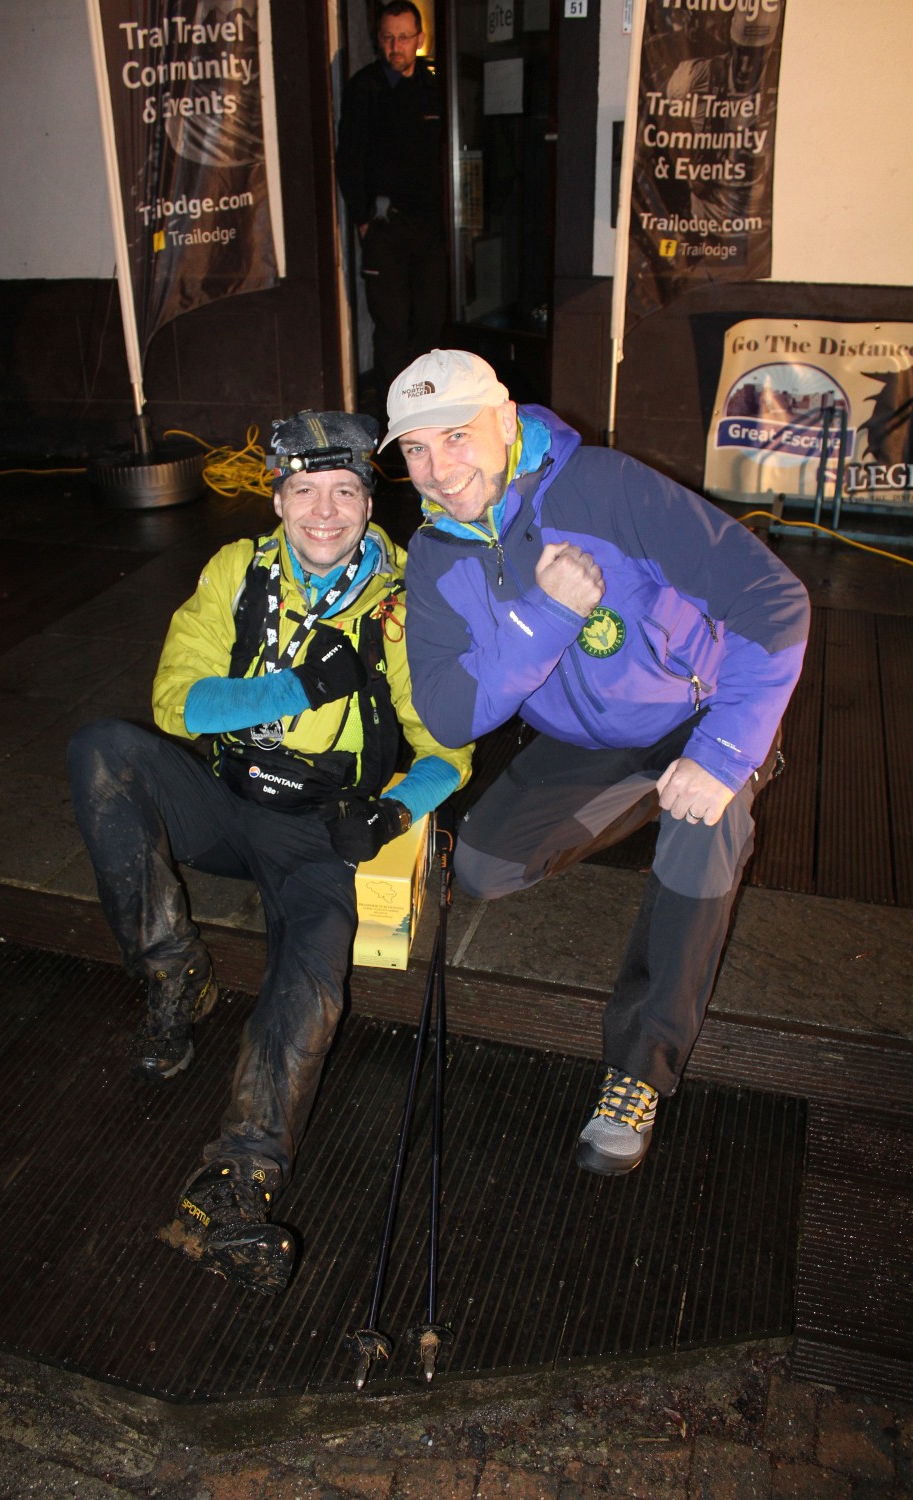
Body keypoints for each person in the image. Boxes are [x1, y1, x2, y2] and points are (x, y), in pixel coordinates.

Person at [67, 409, 472, 1294]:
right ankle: (173, 970)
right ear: (278, 499)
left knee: (314, 976)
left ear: (369, 503)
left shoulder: (406, 604)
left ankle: (237, 1181)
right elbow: (176, 701)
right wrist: (297, 687)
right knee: (102, 749)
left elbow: (450, 750)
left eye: (345, 491)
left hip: (319, 828)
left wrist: (390, 813)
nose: (324, 512)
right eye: (305, 491)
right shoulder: (237, 571)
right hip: (223, 796)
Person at [380, 349, 810, 1177]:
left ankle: (640, 1068)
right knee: (484, 869)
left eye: (457, 436)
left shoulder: (606, 486)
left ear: (506, 420)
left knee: (702, 832)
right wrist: (547, 615)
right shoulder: (434, 556)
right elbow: (450, 713)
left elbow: (775, 599)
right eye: (416, 449)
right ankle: (652, 796)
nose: (439, 468)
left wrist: (724, 752)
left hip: (698, 717)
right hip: (588, 742)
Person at [336, 2, 447, 424]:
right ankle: (395, 424)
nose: (395, 46)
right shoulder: (364, 88)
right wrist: (364, 219)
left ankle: (428, 414)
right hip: (385, 227)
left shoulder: (434, 87)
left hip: (429, 228)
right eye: (387, 38)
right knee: (392, 328)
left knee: (431, 323)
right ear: (378, 40)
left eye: (403, 37)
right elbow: (348, 158)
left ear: (419, 39)